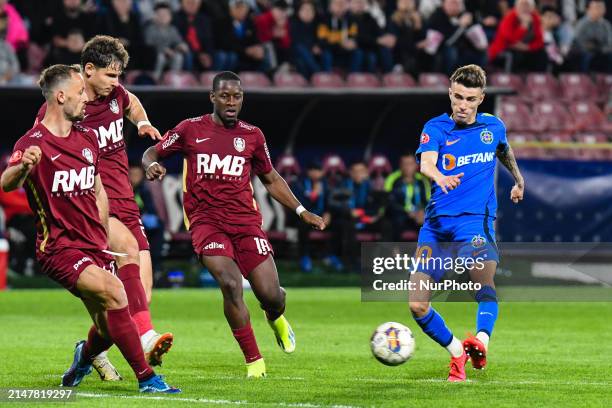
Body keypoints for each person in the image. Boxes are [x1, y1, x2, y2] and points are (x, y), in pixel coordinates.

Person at [0, 64, 179, 393]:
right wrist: (24, 166)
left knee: (109, 324)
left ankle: (84, 357)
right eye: (80, 92)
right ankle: (147, 379)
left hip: (91, 243)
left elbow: (97, 189)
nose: (86, 98)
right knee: (116, 292)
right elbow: (7, 183)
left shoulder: (86, 138)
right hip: (58, 249)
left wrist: (99, 235)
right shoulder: (33, 141)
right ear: (61, 95)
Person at [142, 71, 326, 378]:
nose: (231, 102)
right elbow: (152, 151)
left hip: (246, 223)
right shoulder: (190, 129)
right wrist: (152, 165)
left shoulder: (253, 135)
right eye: (225, 96)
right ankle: (254, 360)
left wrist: (301, 210)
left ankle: (275, 316)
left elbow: (270, 178)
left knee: (271, 295)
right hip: (206, 222)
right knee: (229, 283)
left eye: (237, 97)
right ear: (212, 98)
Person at [35, 35, 173, 381]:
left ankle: (88, 354)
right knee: (126, 260)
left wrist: (141, 123)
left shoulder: (116, 96)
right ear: (89, 70)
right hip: (94, 204)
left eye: (119, 75)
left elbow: (132, 102)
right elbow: (44, 144)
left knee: (133, 300)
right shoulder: (70, 105)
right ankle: (145, 339)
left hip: (125, 199)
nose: (117, 83)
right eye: (111, 76)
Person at [410, 64, 524, 382]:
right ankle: (458, 352)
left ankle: (481, 342)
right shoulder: (435, 128)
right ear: (450, 93)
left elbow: (503, 149)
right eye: (458, 96)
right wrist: (440, 176)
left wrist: (518, 179)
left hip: (475, 223)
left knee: (483, 283)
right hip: (435, 227)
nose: (462, 104)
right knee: (417, 305)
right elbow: (426, 163)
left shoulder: (493, 127)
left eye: (470, 99)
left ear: (481, 99)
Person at [385, 153, 429, 240]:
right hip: (400, 214)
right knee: (391, 222)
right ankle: (394, 251)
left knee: (432, 222)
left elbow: (428, 201)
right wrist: (407, 212)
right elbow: (389, 202)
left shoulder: (422, 181)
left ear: (416, 165)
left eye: (410, 164)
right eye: (405, 164)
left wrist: (422, 212)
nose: (407, 167)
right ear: (400, 165)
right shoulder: (392, 179)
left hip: (418, 214)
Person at [144, 2, 190, 81]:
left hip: (170, 54)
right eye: (160, 15)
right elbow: (149, 43)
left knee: (178, 57)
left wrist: (181, 45)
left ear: (170, 17)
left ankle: (174, 78)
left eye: (166, 15)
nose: (163, 17)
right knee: (161, 57)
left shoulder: (172, 29)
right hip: (156, 55)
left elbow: (178, 41)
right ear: (155, 16)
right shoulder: (150, 29)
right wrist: (163, 49)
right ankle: (156, 79)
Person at [570, 0, 612, 73]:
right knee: (586, 56)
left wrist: (600, 49)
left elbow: (610, 44)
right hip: (584, 52)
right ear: (588, 10)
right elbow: (576, 42)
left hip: (601, 51)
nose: (600, 10)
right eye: (597, 8)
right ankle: (584, 80)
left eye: (602, 8)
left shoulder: (606, 25)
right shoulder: (582, 24)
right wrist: (588, 47)